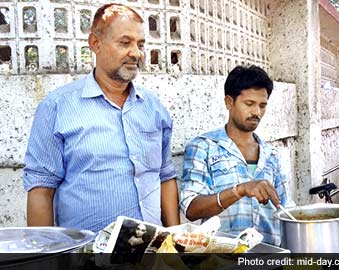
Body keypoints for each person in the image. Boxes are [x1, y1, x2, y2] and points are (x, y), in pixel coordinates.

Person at [23, 3, 179, 232]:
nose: (136, 53)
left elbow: (165, 177)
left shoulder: (153, 108)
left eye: (141, 44)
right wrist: (45, 257)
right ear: (95, 44)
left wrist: (176, 239)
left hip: (153, 254)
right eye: (125, 43)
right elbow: (41, 189)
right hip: (88, 256)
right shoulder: (57, 107)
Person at [180, 65, 294, 246]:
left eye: (262, 105)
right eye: (249, 104)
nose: (257, 112)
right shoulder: (204, 147)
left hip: (269, 257)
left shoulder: (271, 154)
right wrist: (239, 190)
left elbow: (286, 209)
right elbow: (191, 208)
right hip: (222, 259)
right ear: (229, 102)